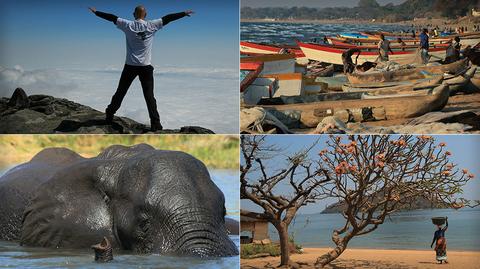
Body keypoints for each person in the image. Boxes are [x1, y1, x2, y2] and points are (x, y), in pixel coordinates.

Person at [88, 6, 194, 131]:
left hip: (130, 67)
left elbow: (112, 18)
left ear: (134, 14)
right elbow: (168, 18)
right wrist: (183, 13)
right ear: (146, 14)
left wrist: (96, 13)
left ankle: (109, 114)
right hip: (145, 67)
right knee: (149, 96)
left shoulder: (127, 25)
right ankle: (156, 124)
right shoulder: (152, 25)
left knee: (121, 92)